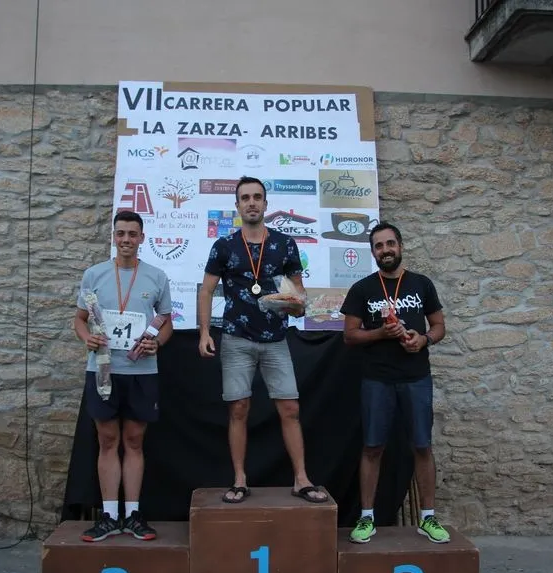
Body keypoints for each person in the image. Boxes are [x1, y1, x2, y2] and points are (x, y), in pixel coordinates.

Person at [197, 176, 328, 504]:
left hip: (276, 339)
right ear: (237, 205)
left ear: (266, 204)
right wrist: (204, 332)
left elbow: (298, 293)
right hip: (236, 338)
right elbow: (207, 290)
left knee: (290, 408)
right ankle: (240, 480)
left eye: (257, 197)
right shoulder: (224, 246)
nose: (252, 202)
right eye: (245, 198)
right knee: (239, 409)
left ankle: (301, 479)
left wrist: (297, 304)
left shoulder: (285, 243)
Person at [339, 221, 450, 544]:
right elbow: (349, 336)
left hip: (416, 377)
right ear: (372, 252)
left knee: (422, 445)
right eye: (379, 246)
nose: (385, 250)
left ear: (400, 246)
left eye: (390, 244)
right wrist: (380, 333)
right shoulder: (362, 289)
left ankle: (428, 518)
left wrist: (424, 339)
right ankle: (366, 518)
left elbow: (439, 325)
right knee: (373, 447)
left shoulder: (421, 284)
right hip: (377, 379)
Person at [74, 210, 173, 541]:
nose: (126, 239)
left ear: (142, 238)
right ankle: (109, 516)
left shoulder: (156, 276)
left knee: (133, 441)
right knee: (107, 441)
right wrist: (86, 338)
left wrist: (157, 342)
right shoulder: (94, 275)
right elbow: (79, 319)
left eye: (132, 234)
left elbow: (166, 322)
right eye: (121, 233)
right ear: (114, 237)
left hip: (141, 371)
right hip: (103, 370)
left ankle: (132, 515)